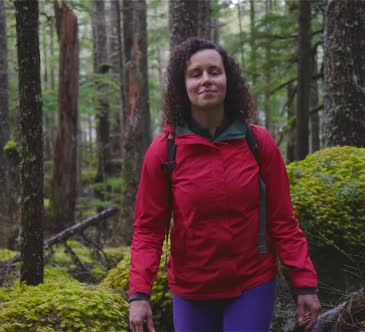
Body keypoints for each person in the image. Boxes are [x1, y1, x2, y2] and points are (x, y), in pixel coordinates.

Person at [128, 37, 320, 332]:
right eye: (196, 74)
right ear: (184, 85)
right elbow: (148, 230)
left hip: (251, 284)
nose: (206, 80)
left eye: (214, 72)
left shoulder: (258, 143)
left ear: (228, 79)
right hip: (191, 290)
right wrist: (139, 294)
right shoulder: (164, 151)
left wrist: (305, 283)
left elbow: (283, 220)